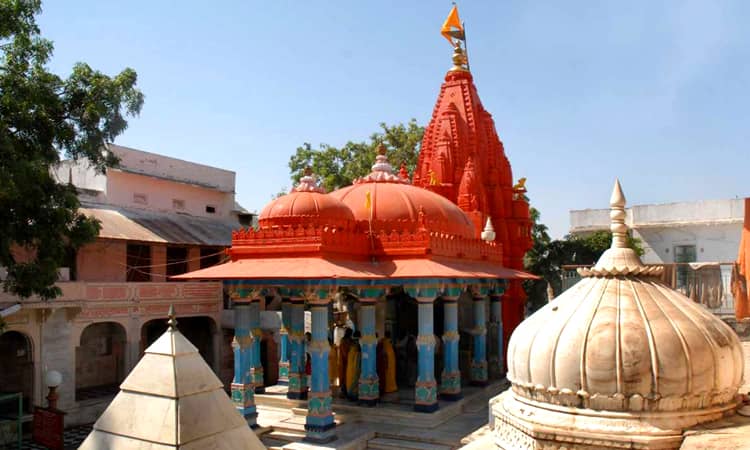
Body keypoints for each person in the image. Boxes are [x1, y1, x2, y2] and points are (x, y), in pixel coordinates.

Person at [377, 331, 398, 396]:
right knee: (389, 373)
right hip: (388, 359)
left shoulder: (383, 341)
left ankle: (388, 387)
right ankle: (389, 388)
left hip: (389, 359)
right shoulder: (385, 342)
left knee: (388, 373)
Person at [345, 331, 362, 401]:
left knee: (352, 380)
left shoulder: (352, 347)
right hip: (353, 367)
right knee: (354, 380)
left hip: (351, 368)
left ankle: (351, 394)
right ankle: (352, 395)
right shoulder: (355, 348)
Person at [338, 328, 353, 398]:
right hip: (344, 361)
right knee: (344, 376)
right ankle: (344, 391)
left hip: (348, 361)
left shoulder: (349, 340)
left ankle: (347, 390)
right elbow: (344, 352)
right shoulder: (344, 340)